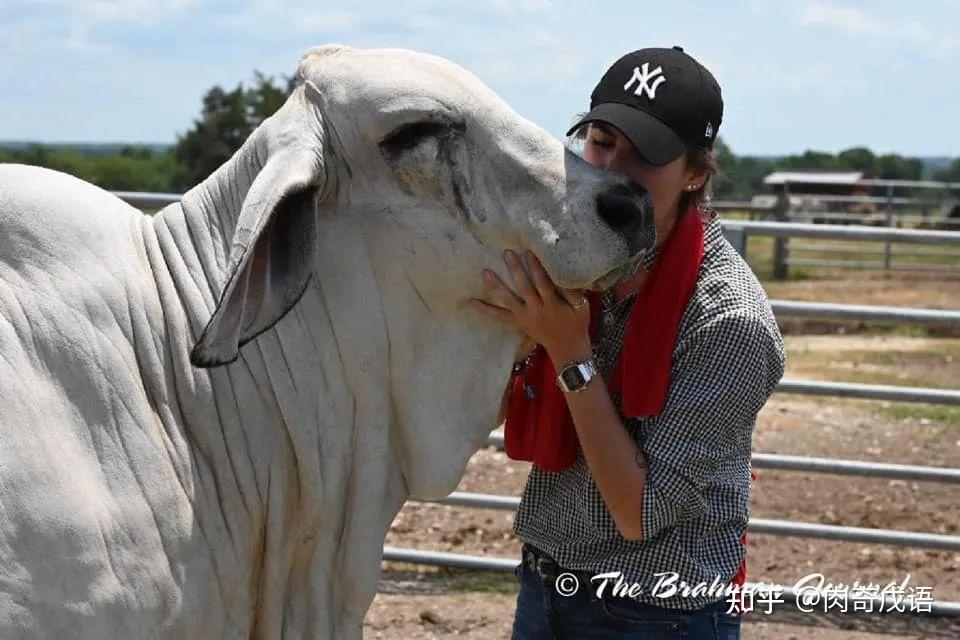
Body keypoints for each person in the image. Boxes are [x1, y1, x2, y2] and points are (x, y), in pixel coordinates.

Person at [471, 46, 786, 639]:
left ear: (696, 173)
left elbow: (639, 513)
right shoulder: (575, 267)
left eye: (647, 156)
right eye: (601, 142)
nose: (612, 171)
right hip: (546, 583)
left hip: (656, 615)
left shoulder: (732, 323)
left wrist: (569, 355)